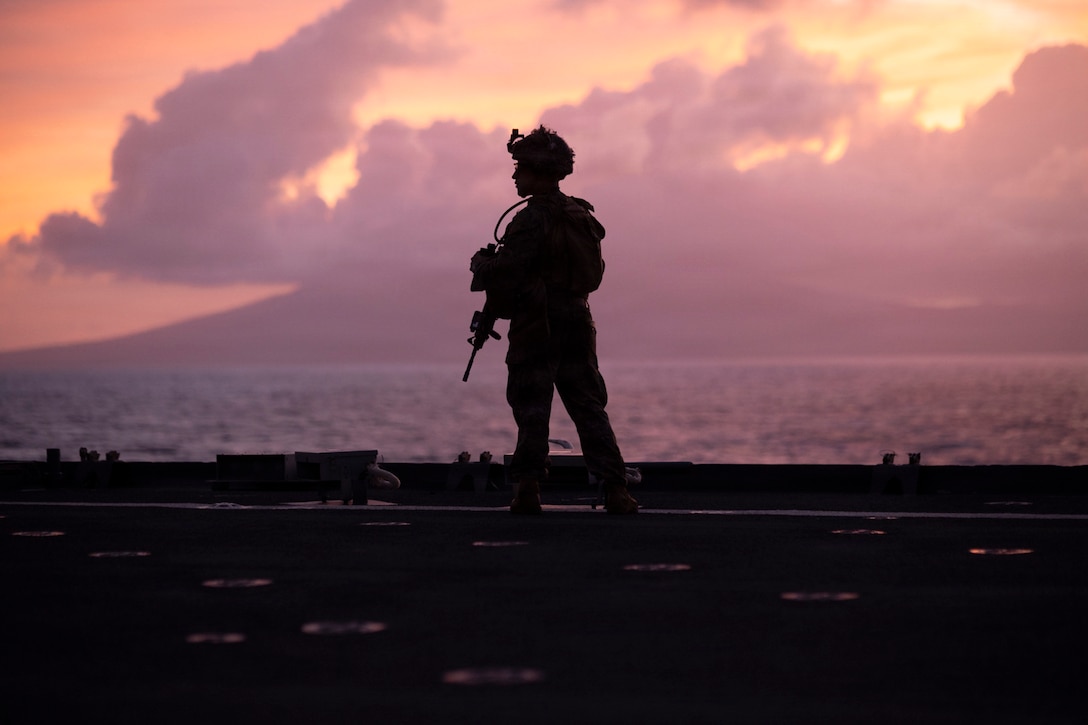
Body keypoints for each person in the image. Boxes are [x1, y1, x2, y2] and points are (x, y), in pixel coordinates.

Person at [469, 126, 638, 515]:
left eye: (520, 168)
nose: (515, 175)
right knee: (588, 404)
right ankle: (616, 490)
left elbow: (508, 272)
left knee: (531, 405)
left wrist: (480, 264)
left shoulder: (530, 219)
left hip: (537, 324)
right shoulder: (580, 215)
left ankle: (528, 490)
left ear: (538, 171)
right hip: (577, 319)